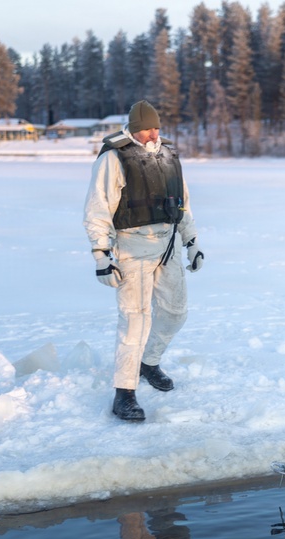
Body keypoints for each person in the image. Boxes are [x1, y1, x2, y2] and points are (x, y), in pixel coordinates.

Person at [83, 100, 204, 421]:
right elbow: (97, 209)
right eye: (147, 128)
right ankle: (124, 393)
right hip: (132, 249)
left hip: (168, 246)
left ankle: (148, 362)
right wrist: (101, 255)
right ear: (134, 128)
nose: (153, 134)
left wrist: (192, 242)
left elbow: (183, 203)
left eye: (156, 128)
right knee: (135, 320)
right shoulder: (113, 158)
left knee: (176, 312)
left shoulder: (168, 154)